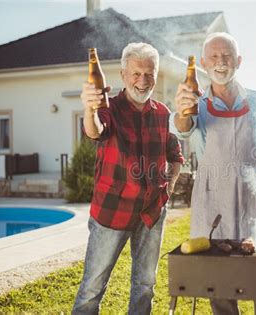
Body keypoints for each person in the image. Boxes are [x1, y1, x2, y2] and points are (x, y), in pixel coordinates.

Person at [170, 32, 256, 315]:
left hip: (254, 198)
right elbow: (183, 127)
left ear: (239, 61)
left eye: (227, 56)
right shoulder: (196, 102)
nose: (221, 62)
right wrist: (181, 111)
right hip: (213, 200)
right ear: (204, 65)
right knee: (218, 281)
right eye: (214, 57)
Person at [72, 42, 184, 314]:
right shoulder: (110, 108)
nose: (143, 81)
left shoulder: (163, 113)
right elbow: (95, 130)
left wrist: (168, 187)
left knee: (145, 285)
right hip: (112, 210)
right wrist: (89, 108)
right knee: (92, 288)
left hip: (151, 212)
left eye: (149, 74)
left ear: (156, 75)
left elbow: (175, 155)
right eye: (136, 74)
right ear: (123, 75)